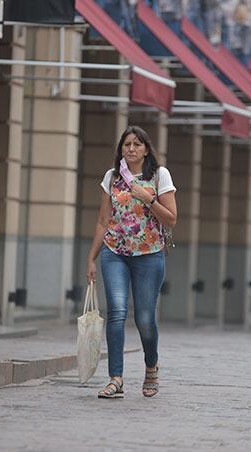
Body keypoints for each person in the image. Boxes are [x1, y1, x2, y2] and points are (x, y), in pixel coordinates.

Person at [86, 125, 177, 399]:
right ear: (121, 149)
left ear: (146, 149)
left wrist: (148, 199)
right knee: (116, 312)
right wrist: (91, 258)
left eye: (137, 144)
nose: (131, 148)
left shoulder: (159, 175)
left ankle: (151, 367)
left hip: (149, 255)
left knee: (145, 319)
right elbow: (103, 221)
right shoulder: (112, 177)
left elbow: (171, 218)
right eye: (127, 144)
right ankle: (116, 378)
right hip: (115, 252)